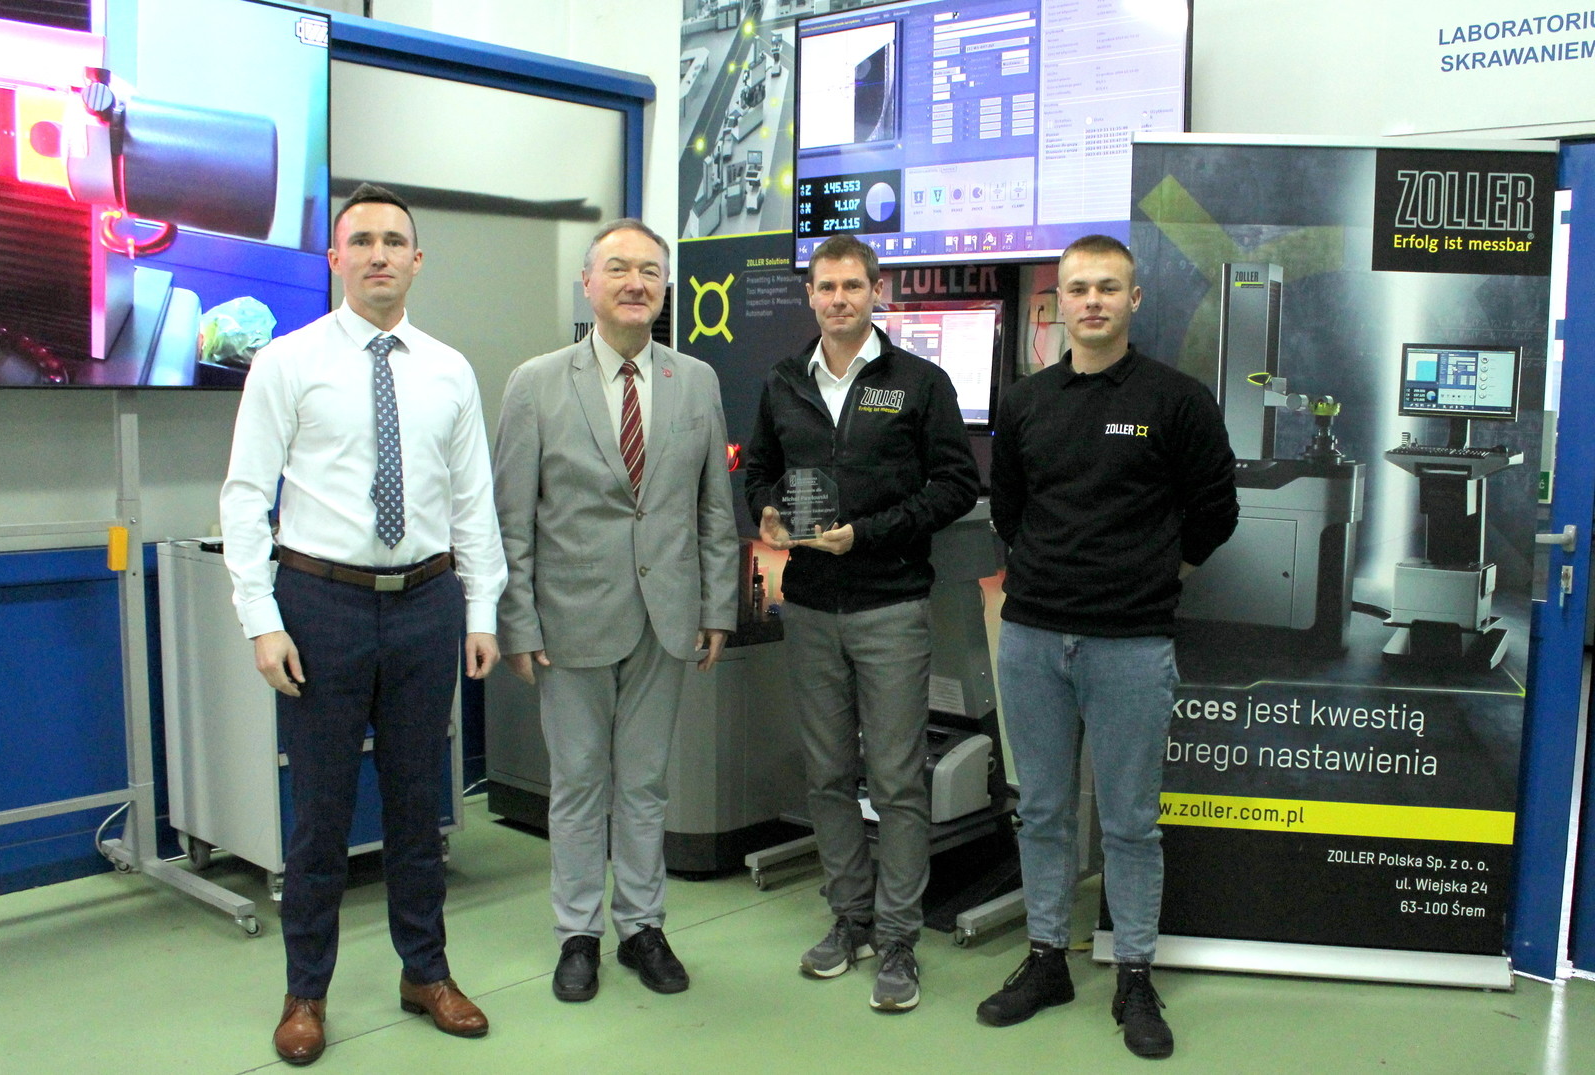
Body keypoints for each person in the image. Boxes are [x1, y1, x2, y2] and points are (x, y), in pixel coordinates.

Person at [219, 183, 506, 1066]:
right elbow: (244, 494)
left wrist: (481, 608)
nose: (379, 254)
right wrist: (260, 617)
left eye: (395, 241)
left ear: (417, 261)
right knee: (321, 813)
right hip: (321, 605)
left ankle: (426, 971)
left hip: (426, 603)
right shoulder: (287, 361)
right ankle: (306, 990)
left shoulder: (449, 370)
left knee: (421, 805)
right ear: (335, 258)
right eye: (363, 240)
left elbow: (473, 501)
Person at [977, 234, 1237, 1059]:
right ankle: (1047, 958)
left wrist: (1159, 571)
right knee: (1043, 809)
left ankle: (1134, 974)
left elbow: (1216, 511)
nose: (1092, 301)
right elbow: (1009, 510)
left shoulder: (1177, 399)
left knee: (1130, 823)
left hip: (1131, 642)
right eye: (1079, 288)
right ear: (1058, 301)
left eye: (1108, 287)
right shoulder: (1027, 401)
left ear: (1134, 300)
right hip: (1032, 637)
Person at [493, 218, 738, 1004]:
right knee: (577, 784)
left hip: (667, 618)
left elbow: (714, 508)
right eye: (620, 269)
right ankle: (577, 933)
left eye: (651, 271)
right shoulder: (536, 383)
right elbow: (512, 518)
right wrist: (517, 622)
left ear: (665, 288)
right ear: (589, 284)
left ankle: (642, 926)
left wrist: (718, 606)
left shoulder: (695, 380)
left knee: (645, 784)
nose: (636, 283)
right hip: (569, 623)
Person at [743, 234, 979, 1013]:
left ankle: (899, 937)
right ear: (809, 294)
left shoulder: (918, 382)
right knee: (826, 773)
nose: (839, 298)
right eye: (826, 286)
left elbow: (955, 484)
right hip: (811, 606)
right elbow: (759, 472)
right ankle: (849, 918)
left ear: (877, 291)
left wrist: (868, 533)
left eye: (852, 285)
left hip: (890, 605)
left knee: (898, 780)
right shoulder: (784, 381)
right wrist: (767, 512)